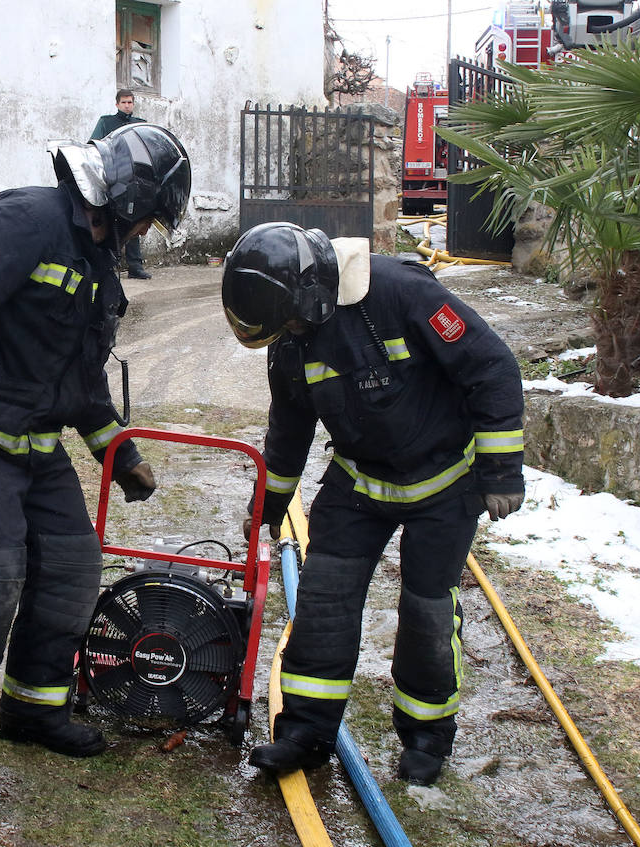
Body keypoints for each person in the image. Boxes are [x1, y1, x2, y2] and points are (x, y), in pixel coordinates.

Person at [0, 123, 192, 811]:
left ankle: (33, 708)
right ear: (124, 197)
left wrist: (120, 457)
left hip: (36, 449)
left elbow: (82, 379)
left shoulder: (98, 259)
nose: (146, 228)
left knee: (69, 569)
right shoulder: (28, 218)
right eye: (148, 214)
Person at [221, 222, 525, 786]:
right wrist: (267, 506)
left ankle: (426, 738)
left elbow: (491, 367)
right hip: (359, 483)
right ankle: (304, 734)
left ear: (307, 293)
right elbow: (289, 434)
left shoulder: (399, 292)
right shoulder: (292, 341)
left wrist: (502, 469)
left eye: (287, 320)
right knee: (322, 603)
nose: (287, 333)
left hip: (443, 484)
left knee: (426, 613)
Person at [90, 89, 151, 279]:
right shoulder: (106, 122)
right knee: (108, 220)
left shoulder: (140, 124)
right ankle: (107, 265)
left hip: (133, 181)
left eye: (130, 102)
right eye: (124, 102)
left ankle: (135, 266)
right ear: (117, 104)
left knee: (133, 219)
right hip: (112, 177)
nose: (127, 106)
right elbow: (94, 145)